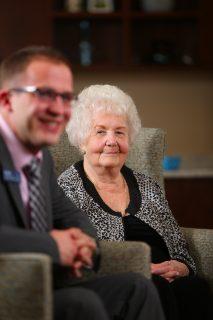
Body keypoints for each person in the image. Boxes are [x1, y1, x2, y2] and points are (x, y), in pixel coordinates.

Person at [0, 47, 166, 320]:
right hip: (8, 290)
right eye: (44, 94)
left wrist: (83, 243)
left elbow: (72, 218)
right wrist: (53, 245)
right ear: (7, 100)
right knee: (81, 303)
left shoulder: (40, 160)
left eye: (65, 98)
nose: (58, 109)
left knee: (138, 288)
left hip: (44, 288)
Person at [58, 84, 212, 320]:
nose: (112, 141)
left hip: (167, 281)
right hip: (120, 286)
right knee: (153, 288)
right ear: (82, 140)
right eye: (100, 132)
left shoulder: (146, 185)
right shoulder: (67, 188)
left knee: (194, 288)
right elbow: (73, 261)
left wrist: (181, 267)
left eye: (120, 132)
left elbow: (180, 249)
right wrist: (140, 268)